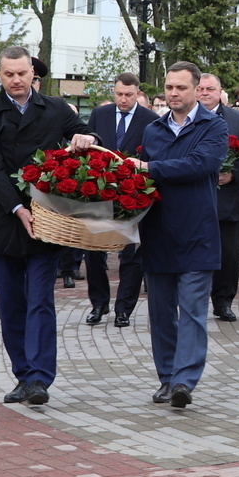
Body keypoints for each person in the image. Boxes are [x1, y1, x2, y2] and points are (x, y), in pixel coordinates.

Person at [0, 45, 96, 407]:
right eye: (9, 74)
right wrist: (15, 207)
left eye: (22, 73)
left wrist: (88, 138)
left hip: (47, 220)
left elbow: (85, 133)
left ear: (33, 74)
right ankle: (23, 376)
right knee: (11, 304)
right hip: (5, 219)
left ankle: (41, 378)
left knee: (40, 301)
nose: (16, 80)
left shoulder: (56, 109)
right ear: (0, 75)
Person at [137, 61, 226, 408]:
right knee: (161, 313)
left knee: (191, 311)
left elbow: (200, 164)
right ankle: (166, 378)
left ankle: (184, 382)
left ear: (196, 89)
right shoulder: (153, 130)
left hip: (197, 232)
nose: (174, 93)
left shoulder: (213, 127)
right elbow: (141, 177)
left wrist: (150, 168)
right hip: (158, 230)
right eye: (169, 87)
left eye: (181, 88)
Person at [81, 74, 156, 327]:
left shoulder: (150, 120)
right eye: (119, 94)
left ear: (137, 94)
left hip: (133, 194)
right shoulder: (99, 115)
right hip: (100, 194)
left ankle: (124, 308)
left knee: (131, 254)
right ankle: (98, 303)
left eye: (129, 95)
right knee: (93, 251)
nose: (123, 99)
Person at [198, 73, 239, 322]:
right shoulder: (184, 118)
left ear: (220, 91)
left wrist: (232, 175)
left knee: (230, 255)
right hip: (195, 199)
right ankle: (196, 301)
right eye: (200, 88)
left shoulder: (236, 119)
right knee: (197, 252)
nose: (204, 93)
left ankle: (223, 302)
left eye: (209, 89)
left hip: (228, 199)